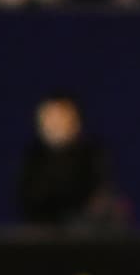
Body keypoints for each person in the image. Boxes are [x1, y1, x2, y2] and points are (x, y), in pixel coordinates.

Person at [18, 94, 126, 228]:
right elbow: (29, 200)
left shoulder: (92, 156)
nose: (54, 125)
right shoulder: (33, 159)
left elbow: (98, 200)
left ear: (75, 121)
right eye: (48, 119)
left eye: (60, 118)